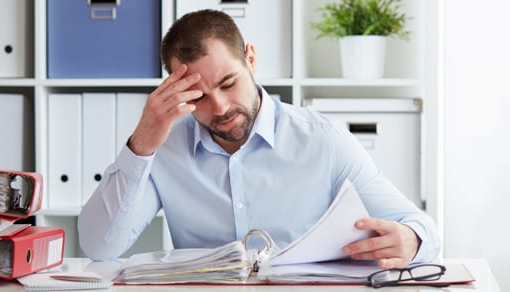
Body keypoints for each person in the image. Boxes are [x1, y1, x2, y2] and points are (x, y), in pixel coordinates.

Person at [78, 9, 440, 269]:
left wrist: (411, 239)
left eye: (228, 83)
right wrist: (141, 143)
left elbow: (420, 226)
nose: (219, 107)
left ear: (250, 59)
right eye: (199, 97)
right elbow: (100, 247)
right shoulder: (165, 148)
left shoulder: (325, 141)